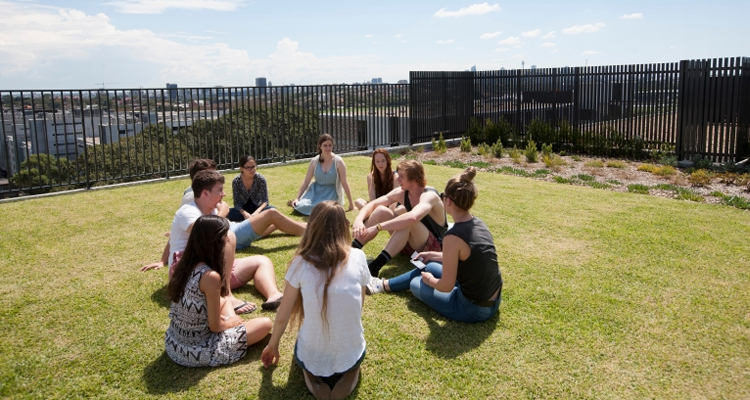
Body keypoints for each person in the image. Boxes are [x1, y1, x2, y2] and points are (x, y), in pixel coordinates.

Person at [147, 170, 306, 311]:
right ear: (205, 193)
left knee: (261, 261)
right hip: (187, 272)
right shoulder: (187, 212)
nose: (223, 194)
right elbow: (204, 235)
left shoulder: (212, 209)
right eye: (220, 190)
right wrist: (222, 213)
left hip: (212, 267)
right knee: (227, 236)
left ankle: (274, 295)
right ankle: (226, 294)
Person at [261, 201, 369, 400]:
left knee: (306, 356)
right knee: (353, 358)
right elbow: (359, 304)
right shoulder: (359, 256)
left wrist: (273, 345)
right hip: (349, 346)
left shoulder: (300, 263)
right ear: (344, 226)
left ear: (312, 226)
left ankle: (313, 378)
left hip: (313, 350)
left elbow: (283, 315)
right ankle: (350, 374)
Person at [366, 167, 502, 323]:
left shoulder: (453, 236)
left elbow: (446, 286)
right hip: (493, 300)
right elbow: (466, 258)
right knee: (428, 265)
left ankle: (382, 285)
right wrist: (431, 255)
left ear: (448, 201)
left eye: (443, 196)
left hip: (472, 308)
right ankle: (382, 285)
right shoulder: (478, 223)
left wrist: (430, 280)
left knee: (416, 283)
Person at [165, 215, 273, 367]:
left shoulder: (184, 264)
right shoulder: (210, 276)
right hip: (195, 350)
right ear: (214, 242)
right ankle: (236, 327)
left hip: (174, 343)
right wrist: (229, 322)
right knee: (265, 324)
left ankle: (234, 322)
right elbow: (215, 327)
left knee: (225, 300)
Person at [352, 159, 448, 277]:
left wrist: (379, 227)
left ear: (413, 179)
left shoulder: (429, 195)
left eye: (401, 176)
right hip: (407, 245)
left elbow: (412, 218)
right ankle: (350, 252)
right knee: (381, 210)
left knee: (408, 220)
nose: (397, 179)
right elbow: (373, 204)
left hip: (433, 249)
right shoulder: (403, 192)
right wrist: (359, 220)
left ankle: (375, 267)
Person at [290, 134, 354, 215]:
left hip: (331, 193)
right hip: (315, 192)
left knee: (324, 209)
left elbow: (344, 183)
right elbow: (306, 181)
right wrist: (297, 198)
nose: (328, 148)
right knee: (301, 205)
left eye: (330, 145)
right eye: (325, 145)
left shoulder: (339, 162)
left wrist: (351, 204)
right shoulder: (314, 161)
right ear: (320, 146)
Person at [227, 155, 274, 222]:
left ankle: (250, 220)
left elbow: (265, 201)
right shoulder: (236, 181)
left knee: (272, 209)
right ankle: (256, 220)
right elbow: (237, 203)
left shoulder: (260, 179)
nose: (252, 170)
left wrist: (256, 213)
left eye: (253, 167)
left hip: (257, 207)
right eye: (248, 168)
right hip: (243, 209)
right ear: (241, 168)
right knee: (229, 213)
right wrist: (244, 213)